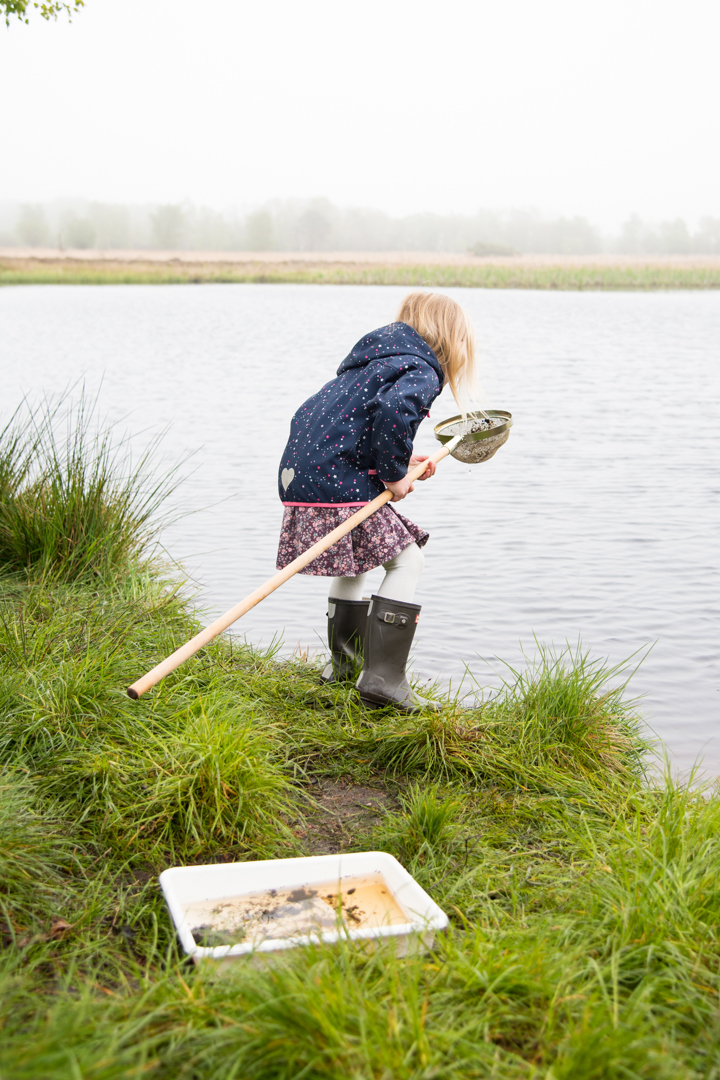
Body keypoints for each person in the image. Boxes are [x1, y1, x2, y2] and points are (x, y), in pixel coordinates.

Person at [276, 290, 479, 711]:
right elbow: (393, 413)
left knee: (355, 559)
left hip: (305, 477)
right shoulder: (421, 368)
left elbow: (356, 424)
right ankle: (383, 681)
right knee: (408, 560)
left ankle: (344, 668)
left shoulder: (371, 361)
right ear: (449, 339)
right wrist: (393, 476)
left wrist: (402, 461)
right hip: (339, 480)